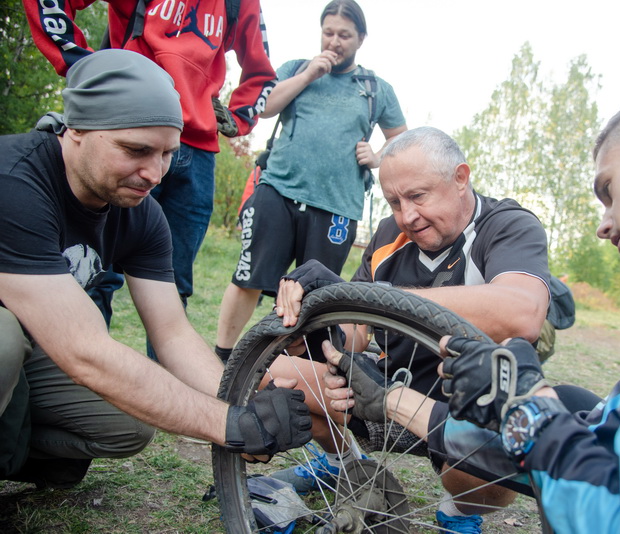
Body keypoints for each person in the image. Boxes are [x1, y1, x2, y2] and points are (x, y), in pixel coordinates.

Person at [328, 77, 620, 532]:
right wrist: (398, 401)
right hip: (423, 397)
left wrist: (526, 410)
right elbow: (602, 444)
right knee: (577, 404)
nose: (604, 223)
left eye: (608, 189)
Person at [0, 50, 311, 490]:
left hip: (32, 346)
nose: (154, 173)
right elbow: (84, 350)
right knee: (3, 340)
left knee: (128, 423)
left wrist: (243, 403)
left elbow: (172, 333)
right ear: (77, 130)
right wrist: (228, 425)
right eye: (136, 150)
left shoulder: (139, 211)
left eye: (167, 153)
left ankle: (11, 449)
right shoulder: (14, 183)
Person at [271, 126, 560, 532]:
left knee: (488, 464)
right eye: (393, 202)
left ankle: (460, 512)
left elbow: (522, 312)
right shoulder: (392, 235)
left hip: (456, 411)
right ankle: (343, 463)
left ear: (461, 178)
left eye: (418, 196)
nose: (406, 216)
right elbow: (356, 333)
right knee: (280, 375)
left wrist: (375, 296)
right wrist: (318, 328)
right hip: (380, 391)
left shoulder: (507, 225)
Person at [24, 0, 277, 340]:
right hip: (125, 126)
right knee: (95, 272)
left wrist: (240, 116)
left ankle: (165, 388)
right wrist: (83, 65)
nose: (154, 172)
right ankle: (74, 380)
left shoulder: (240, 3)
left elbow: (262, 70)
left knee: (173, 284)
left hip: (197, 150)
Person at [214, 0, 407, 363]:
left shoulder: (376, 88)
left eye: (344, 35)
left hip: (336, 206)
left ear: (361, 39)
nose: (334, 42)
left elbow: (400, 136)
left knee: (316, 297)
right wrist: (307, 76)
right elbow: (264, 106)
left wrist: (379, 157)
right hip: (279, 191)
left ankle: (300, 374)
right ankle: (221, 358)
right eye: (328, 33)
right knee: (249, 278)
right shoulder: (296, 69)